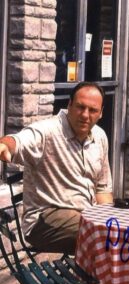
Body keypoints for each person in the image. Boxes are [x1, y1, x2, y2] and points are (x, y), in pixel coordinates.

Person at [0, 81, 113, 254]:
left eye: (92, 110)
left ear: (101, 113)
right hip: (43, 220)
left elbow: (103, 189)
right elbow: (18, 140)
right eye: (80, 107)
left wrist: (111, 219)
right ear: (69, 105)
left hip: (85, 216)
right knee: (104, 237)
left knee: (122, 233)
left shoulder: (100, 136)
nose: (85, 115)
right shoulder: (47, 131)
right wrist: (5, 146)